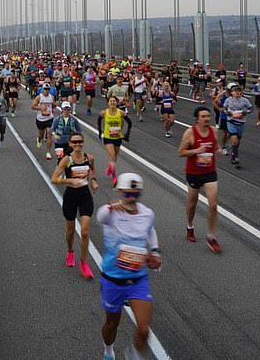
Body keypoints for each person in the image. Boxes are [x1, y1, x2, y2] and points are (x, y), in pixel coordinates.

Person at [96, 173, 161, 360]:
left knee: (143, 330)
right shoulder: (111, 213)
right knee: (111, 325)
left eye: (135, 194)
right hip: (113, 279)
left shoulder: (147, 213)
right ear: (120, 192)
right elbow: (100, 217)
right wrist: (112, 206)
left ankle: (133, 356)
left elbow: (150, 230)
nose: (131, 198)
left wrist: (155, 252)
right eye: (127, 194)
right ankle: (108, 352)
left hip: (137, 280)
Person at [51, 135, 98, 279]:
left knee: (84, 231)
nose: (78, 144)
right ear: (70, 144)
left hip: (85, 196)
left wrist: (94, 181)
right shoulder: (66, 160)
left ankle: (84, 262)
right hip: (71, 196)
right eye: (75, 142)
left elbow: (93, 171)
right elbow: (54, 179)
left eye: (80, 141)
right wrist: (69, 180)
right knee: (70, 231)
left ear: (83, 142)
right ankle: (70, 251)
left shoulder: (89, 158)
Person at [178, 106, 222, 253]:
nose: (207, 119)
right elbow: (181, 152)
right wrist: (196, 151)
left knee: (214, 205)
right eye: (203, 116)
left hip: (210, 171)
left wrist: (219, 150)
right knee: (192, 203)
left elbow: (215, 146)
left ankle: (211, 237)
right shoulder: (190, 133)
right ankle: (190, 226)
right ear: (197, 118)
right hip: (193, 172)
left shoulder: (214, 131)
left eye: (208, 116)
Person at [98, 96, 132, 184]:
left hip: (118, 137)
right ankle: (114, 177)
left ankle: (110, 166)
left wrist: (127, 134)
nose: (112, 103)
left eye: (114, 101)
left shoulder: (121, 113)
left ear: (116, 103)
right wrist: (99, 131)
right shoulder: (104, 112)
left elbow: (130, 123)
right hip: (108, 138)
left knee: (115, 158)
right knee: (112, 157)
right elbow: (99, 120)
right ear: (108, 103)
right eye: (111, 101)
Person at [222, 83, 254, 168]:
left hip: (241, 123)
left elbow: (251, 109)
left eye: (239, 91)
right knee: (235, 139)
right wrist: (228, 113)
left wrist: (244, 113)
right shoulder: (228, 100)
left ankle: (234, 152)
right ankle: (235, 157)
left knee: (237, 142)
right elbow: (224, 108)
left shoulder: (244, 100)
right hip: (231, 122)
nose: (238, 93)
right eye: (235, 91)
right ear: (232, 92)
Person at [31, 85, 56, 159]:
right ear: (42, 89)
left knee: (49, 134)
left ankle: (48, 152)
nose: (47, 90)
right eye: (45, 89)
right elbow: (32, 106)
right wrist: (40, 108)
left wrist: (55, 106)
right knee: (41, 135)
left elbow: (53, 106)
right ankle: (39, 139)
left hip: (49, 118)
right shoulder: (39, 97)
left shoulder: (51, 97)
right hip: (40, 119)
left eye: (48, 89)